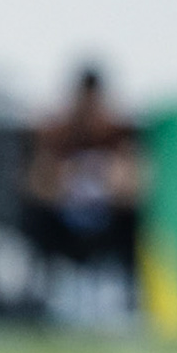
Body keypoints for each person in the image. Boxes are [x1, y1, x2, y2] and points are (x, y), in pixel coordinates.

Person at [22, 65, 144, 304]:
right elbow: (35, 184)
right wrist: (63, 181)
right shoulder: (57, 133)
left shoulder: (117, 133)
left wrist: (111, 181)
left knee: (137, 221)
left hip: (107, 218)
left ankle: (131, 298)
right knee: (35, 217)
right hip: (64, 218)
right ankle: (40, 297)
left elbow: (133, 185)